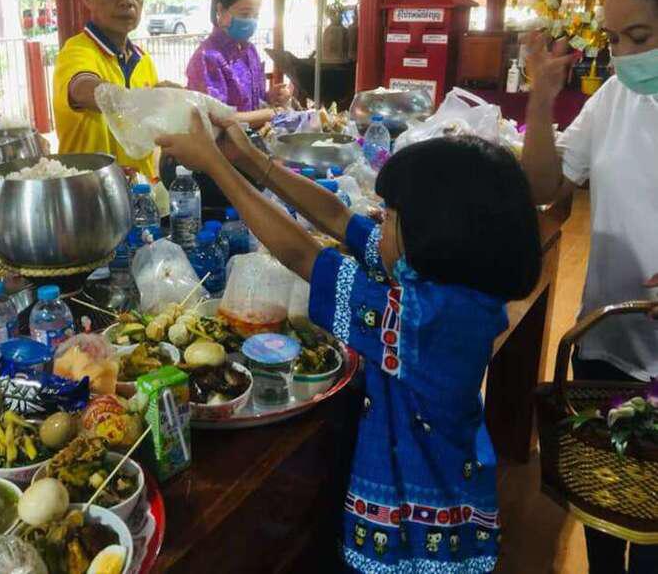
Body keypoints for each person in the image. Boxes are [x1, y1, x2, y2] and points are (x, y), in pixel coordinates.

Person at [157, 114, 541, 572]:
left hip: (413, 532)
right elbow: (340, 218)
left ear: (437, 235)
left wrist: (216, 166)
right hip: (456, 493)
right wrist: (251, 160)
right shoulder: (457, 287)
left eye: (391, 216)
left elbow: (302, 254)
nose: (380, 222)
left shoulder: (420, 321)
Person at [521, 0, 658, 574]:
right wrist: (540, 100)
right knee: (605, 509)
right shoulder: (616, 96)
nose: (624, 54)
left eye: (640, 37)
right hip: (605, 343)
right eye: (613, 39)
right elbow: (545, 185)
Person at [53, 0, 160, 179]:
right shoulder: (77, 51)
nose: (126, 1)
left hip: (142, 194)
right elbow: (82, 88)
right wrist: (143, 100)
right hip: (90, 193)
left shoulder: (144, 61)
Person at [186, 0, 291, 129]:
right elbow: (217, 118)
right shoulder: (207, 58)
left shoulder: (250, 51)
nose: (251, 21)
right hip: (223, 144)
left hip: (255, 138)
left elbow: (252, 104)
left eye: (256, 16)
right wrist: (272, 113)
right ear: (221, 10)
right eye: (245, 14)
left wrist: (271, 97)